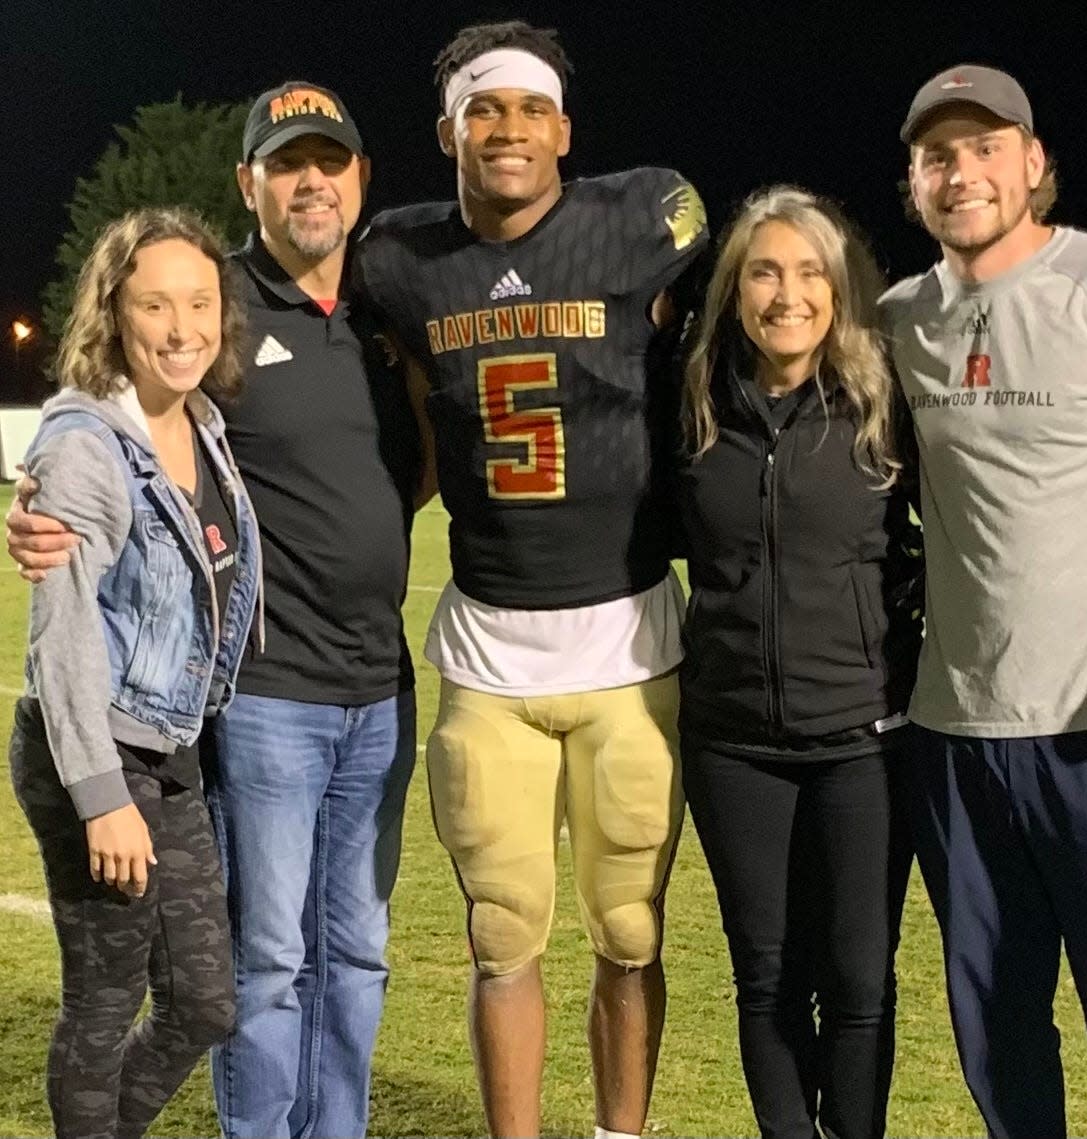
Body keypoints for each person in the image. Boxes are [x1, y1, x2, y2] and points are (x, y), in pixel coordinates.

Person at [8, 82, 419, 1139]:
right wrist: (42, 500)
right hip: (262, 706)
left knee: (340, 956)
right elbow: (103, 428)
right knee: (261, 960)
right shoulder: (219, 298)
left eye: (330, 160)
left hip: (376, 694)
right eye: (286, 164)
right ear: (251, 183)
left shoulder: (383, 308)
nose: (311, 181)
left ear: (361, 177)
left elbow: (397, 465)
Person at [353, 20, 708, 1139]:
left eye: (526, 108)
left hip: (633, 643)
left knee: (628, 929)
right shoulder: (394, 258)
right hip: (490, 652)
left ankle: (618, 1133)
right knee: (501, 929)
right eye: (481, 109)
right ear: (448, 131)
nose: (505, 129)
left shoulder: (645, 218)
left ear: (563, 128)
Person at [880, 63, 1087, 1138]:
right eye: (936, 156)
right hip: (950, 729)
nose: (959, 173)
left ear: (1031, 163)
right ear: (912, 183)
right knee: (996, 1023)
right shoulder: (895, 319)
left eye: (982, 149)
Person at [673, 186, 921, 1139]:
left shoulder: (879, 395)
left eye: (810, 272)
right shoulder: (691, 398)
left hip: (863, 735)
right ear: (735, 288)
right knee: (767, 972)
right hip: (733, 740)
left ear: (838, 288)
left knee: (859, 976)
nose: (788, 293)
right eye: (765, 271)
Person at [9, 207, 260, 1139]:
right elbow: (62, 634)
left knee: (204, 1002)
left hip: (168, 748)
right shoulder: (86, 444)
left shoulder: (200, 420)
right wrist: (99, 793)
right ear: (114, 311)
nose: (182, 327)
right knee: (106, 1000)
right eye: (156, 304)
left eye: (200, 302)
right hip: (96, 751)